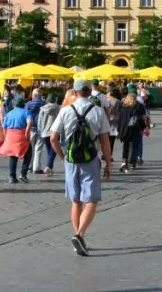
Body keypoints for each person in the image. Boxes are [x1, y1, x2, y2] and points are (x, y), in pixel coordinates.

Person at [49, 78, 112, 257]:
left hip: (71, 159)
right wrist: (108, 162)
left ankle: (79, 238)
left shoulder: (66, 111)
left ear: (75, 92)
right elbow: (105, 140)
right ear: (89, 91)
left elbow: (53, 138)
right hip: (90, 159)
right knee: (91, 200)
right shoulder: (98, 111)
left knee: (75, 200)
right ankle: (80, 235)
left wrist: (62, 157)